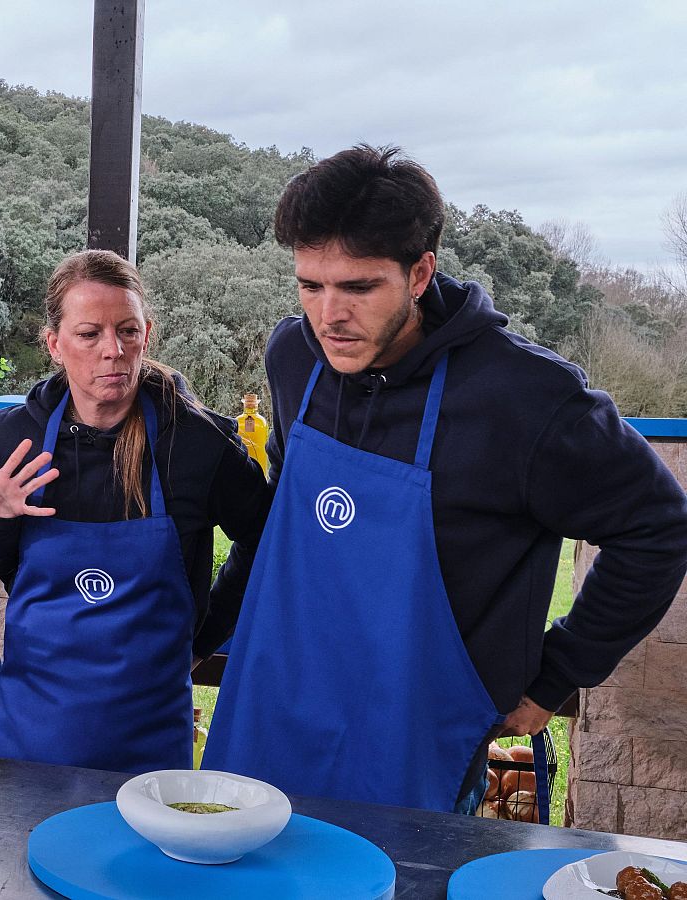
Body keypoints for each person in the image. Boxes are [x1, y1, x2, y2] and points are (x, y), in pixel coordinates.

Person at [203, 145, 687, 813]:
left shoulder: (526, 397)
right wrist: (202, 633)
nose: (328, 316)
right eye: (311, 285)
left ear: (421, 271)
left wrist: (558, 677)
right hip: (274, 702)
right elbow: (282, 517)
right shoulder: (294, 357)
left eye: (358, 287)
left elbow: (659, 528)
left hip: (413, 738)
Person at [0, 249, 270, 773]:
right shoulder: (12, 437)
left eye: (128, 331)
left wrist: (202, 637)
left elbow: (265, 540)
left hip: (149, 731)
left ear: (149, 333)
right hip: (34, 726)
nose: (113, 351)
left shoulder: (195, 445)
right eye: (89, 334)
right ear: (55, 344)